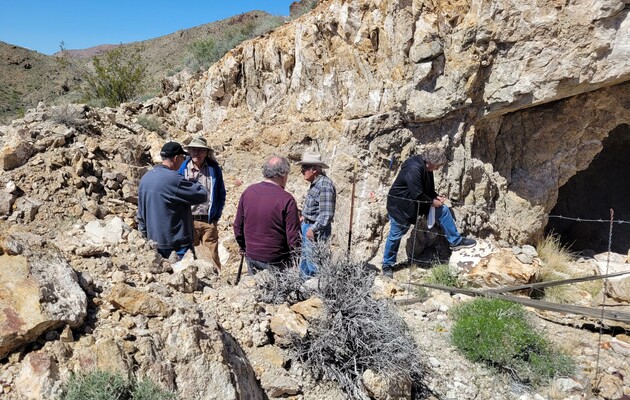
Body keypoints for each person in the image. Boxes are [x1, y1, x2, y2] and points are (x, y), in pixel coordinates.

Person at [382, 148, 476, 278]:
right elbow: (417, 194)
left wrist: (436, 197)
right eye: (437, 165)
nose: (437, 169)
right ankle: (387, 265)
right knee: (396, 235)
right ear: (431, 162)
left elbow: (428, 190)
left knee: (443, 210)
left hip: (417, 203)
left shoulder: (427, 169)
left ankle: (455, 241)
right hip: (400, 208)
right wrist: (432, 201)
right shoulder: (414, 168)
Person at [137, 142, 208, 259]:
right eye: (182, 158)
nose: (183, 161)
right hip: (177, 245)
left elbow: (140, 213)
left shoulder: (146, 178)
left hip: (154, 243)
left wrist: (146, 235)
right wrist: (192, 181)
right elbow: (202, 195)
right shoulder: (174, 179)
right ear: (176, 158)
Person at [233, 156, 301, 275]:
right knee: (276, 293)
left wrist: (243, 246)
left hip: (252, 256)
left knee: (255, 291)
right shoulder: (287, 199)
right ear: (284, 174)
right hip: (277, 260)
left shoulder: (248, 192)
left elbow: (238, 225)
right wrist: (297, 257)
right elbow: (293, 236)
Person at [178, 136, 226, 271]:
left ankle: (217, 280)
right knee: (190, 254)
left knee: (212, 253)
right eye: (193, 150)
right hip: (188, 219)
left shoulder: (214, 169)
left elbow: (221, 193)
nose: (196, 153)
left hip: (208, 220)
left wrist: (216, 216)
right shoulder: (183, 169)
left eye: (199, 150)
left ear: (205, 152)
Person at [296, 151, 336, 277]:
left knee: (314, 264)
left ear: (313, 170)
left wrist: (313, 229)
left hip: (316, 230)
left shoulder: (324, 185)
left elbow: (326, 213)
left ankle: (315, 292)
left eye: (304, 168)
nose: (302, 171)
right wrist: (304, 216)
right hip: (308, 225)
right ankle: (303, 290)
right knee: (305, 261)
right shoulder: (316, 183)